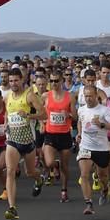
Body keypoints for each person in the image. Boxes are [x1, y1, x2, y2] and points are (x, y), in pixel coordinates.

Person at [3, 68, 46, 220]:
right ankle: (12, 208)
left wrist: (28, 115)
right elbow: (7, 112)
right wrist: (5, 123)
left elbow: (44, 114)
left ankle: (39, 178)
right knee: (10, 171)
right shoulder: (8, 96)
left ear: (22, 80)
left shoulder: (30, 96)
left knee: (30, 172)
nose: (13, 83)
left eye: (16, 80)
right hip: (12, 140)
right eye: (11, 81)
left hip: (28, 141)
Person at [76, 85, 110, 215]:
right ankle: (88, 203)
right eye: (86, 96)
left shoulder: (104, 111)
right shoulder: (81, 110)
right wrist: (79, 133)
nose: (88, 98)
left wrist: (102, 124)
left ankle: (105, 189)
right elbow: (80, 121)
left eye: (91, 96)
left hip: (101, 148)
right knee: (84, 175)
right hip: (85, 147)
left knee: (102, 176)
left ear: (96, 96)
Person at [42, 69, 76, 203]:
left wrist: (69, 115)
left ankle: (64, 190)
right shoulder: (45, 96)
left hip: (64, 135)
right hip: (50, 133)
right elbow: (41, 112)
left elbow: (75, 115)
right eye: (51, 81)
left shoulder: (70, 96)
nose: (54, 83)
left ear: (62, 81)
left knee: (65, 166)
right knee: (49, 162)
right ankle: (54, 165)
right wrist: (41, 122)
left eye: (56, 81)